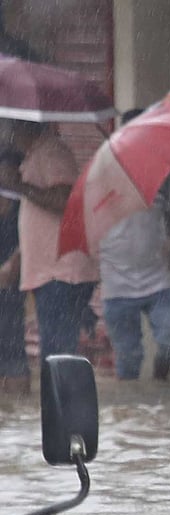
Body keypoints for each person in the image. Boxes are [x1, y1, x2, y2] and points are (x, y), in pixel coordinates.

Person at [98, 109, 170, 382]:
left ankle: (160, 383)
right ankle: (132, 411)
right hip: (116, 279)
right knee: (129, 358)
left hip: (155, 276)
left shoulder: (164, 172)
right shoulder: (104, 170)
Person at [0, 121, 99, 358]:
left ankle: (61, 396)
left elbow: (65, 200)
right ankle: (59, 395)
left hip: (61, 274)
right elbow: (39, 222)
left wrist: (18, 185)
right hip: (52, 273)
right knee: (57, 353)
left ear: (20, 127)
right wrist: (18, 258)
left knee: (58, 356)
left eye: (6, 127)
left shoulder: (52, 152)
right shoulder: (35, 155)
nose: (4, 134)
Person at [0, 150, 27, 395]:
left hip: (11, 291)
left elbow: (29, 238)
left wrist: (13, 262)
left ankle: (19, 415)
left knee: (12, 349)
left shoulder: (23, 204)